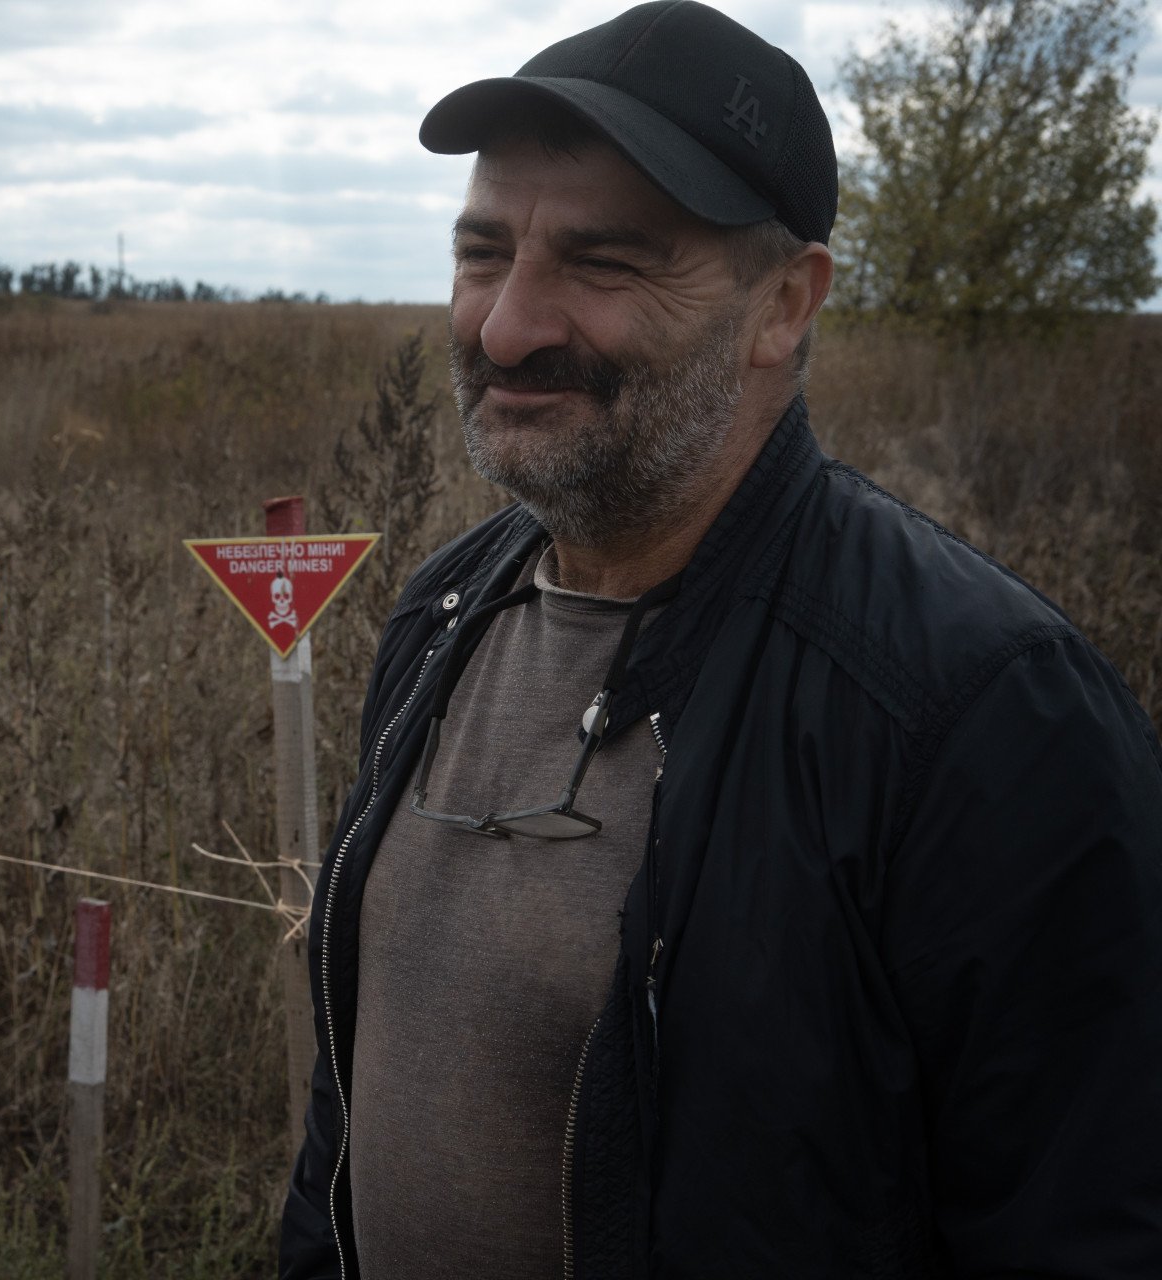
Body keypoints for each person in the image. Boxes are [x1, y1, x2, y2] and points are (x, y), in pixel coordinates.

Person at [279, 3, 1162, 1276]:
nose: (506, 325)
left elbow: (1087, 1221)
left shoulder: (978, 711)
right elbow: (350, 1110)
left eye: (605, 263)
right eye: (483, 252)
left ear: (784, 304)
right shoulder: (441, 616)